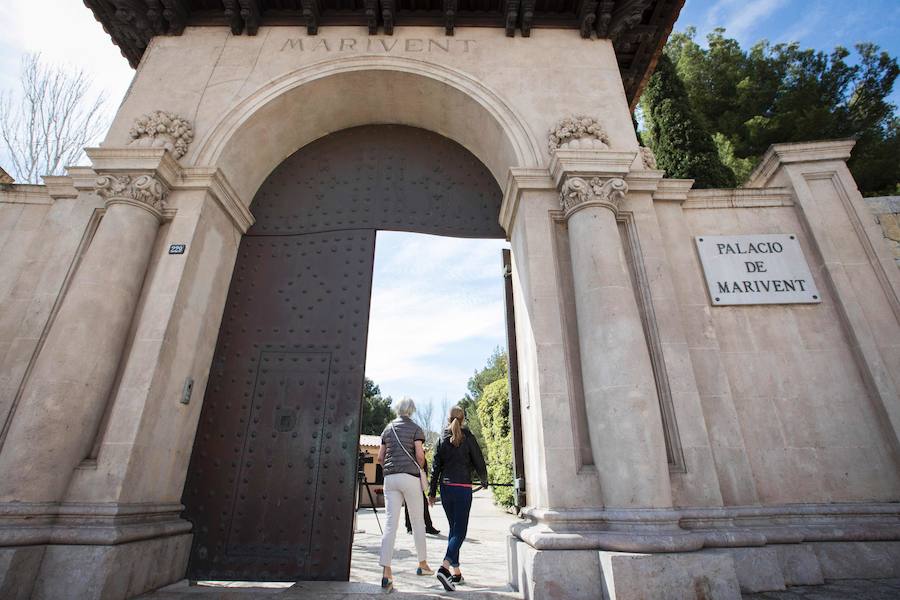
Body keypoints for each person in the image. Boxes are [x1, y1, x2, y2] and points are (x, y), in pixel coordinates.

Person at [428, 405, 488, 591]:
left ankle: (456, 573)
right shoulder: (468, 437)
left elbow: (435, 467)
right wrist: (484, 480)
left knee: (454, 530)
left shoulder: (441, 440)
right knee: (460, 532)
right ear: (463, 419)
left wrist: (431, 492)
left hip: (446, 489)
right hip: (463, 488)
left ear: (449, 419)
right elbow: (479, 460)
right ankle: (444, 568)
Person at [376, 397, 434, 591]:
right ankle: (422, 564)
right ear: (412, 410)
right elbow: (419, 455)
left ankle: (386, 572)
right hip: (409, 477)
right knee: (418, 521)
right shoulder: (416, 429)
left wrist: (390, 470)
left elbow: (380, 457)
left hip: (390, 479)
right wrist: (421, 465)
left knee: (390, 524)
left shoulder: (387, 429)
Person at [405, 457, 440, 535]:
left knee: (423, 504)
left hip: (417, 480)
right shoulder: (411, 451)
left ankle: (428, 526)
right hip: (410, 479)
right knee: (409, 504)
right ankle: (410, 526)